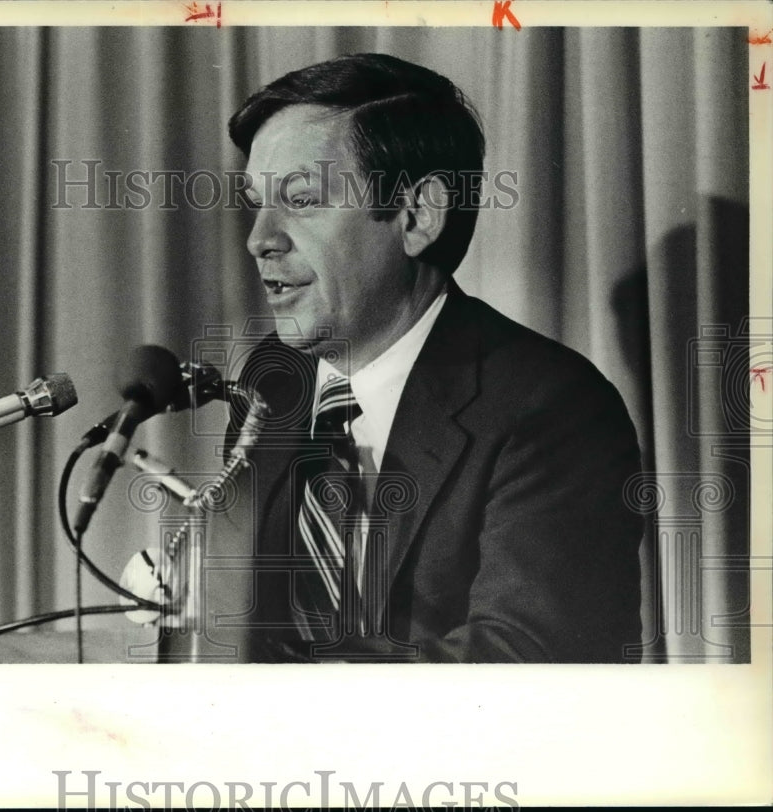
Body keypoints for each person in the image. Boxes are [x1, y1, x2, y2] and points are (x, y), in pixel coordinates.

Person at [223, 53, 643, 663]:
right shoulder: (273, 380)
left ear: (417, 216)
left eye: (301, 200)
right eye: (257, 204)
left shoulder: (551, 409)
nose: (259, 239)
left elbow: (522, 664)